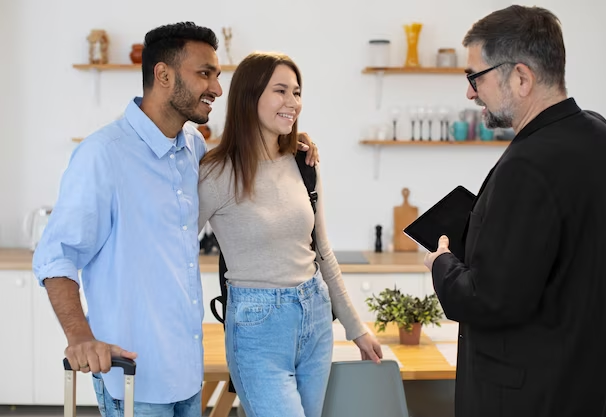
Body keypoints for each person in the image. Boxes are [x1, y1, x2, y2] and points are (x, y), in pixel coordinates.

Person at [32, 22, 318, 416]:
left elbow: (242, 169)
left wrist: (288, 144)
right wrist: (79, 337)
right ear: (163, 75)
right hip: (132, 375)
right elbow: (56, 255)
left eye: (217, 76)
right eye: (205, 74)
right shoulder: (103, 155)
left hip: (186, 374)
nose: (217, 88)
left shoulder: (193, 148)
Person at [423, 5, 606, 417]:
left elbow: (488, 301)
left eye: (474, 77)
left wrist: (441, 262)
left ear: (520, 77)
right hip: (590, 386)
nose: (469, 92)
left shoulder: (528, 165)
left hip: (526, 396)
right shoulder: (599, 135)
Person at [197, 51, 383, 417]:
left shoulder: (303, 163)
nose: (292, 103)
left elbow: (322, 252)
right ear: (250, 97)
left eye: (297, 92)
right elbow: (176, 247)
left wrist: (356, 327)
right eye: (280, 91)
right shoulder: (215, 173)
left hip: (315, 316)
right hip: (257, 328)